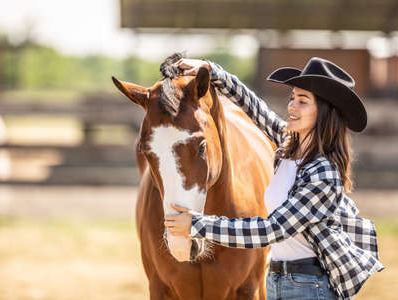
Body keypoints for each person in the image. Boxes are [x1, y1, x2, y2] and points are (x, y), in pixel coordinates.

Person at [164, 57, 384, 300]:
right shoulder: (289, 147)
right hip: (277, 280)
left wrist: (198, 225)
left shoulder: (323, 173)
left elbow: (272, 230)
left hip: (310, 287)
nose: (292, 106)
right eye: (292, 98)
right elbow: (254, 107)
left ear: (324, 112)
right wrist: (213, 70)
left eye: (303, 101)